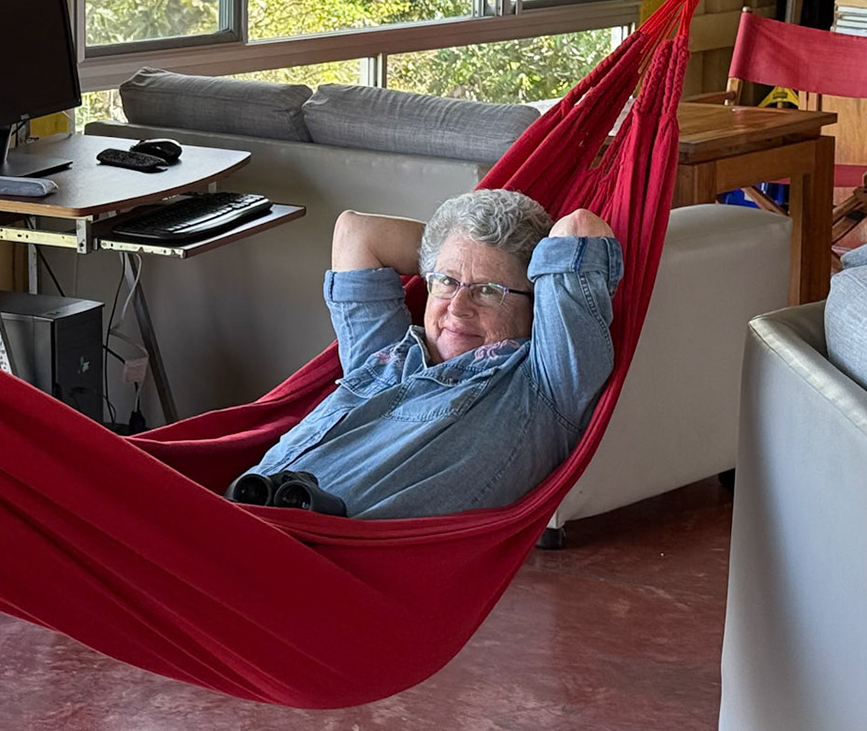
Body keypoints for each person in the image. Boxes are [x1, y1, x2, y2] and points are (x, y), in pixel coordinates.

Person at [227, 189, 621, 520]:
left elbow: (579, 228)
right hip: (236, 514)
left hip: (331, 559)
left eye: (488, 291)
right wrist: (450, 249)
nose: (457, 307)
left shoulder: (546, 384)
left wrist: (468, 261)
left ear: (538, 302)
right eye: (447, 283)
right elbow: (356, 231)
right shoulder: (385, 354)